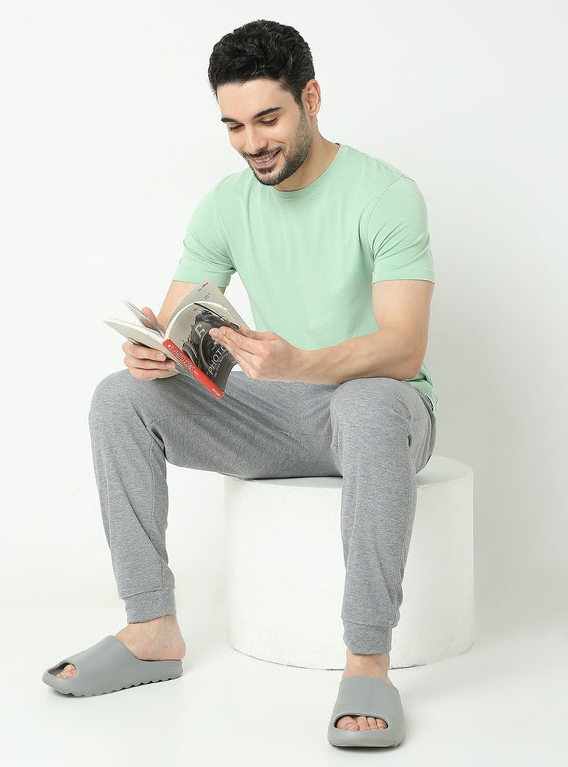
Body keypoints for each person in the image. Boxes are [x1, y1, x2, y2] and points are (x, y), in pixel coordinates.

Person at [43, 19, 437, 749]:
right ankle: (150, 629)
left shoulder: (386, 194)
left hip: (382, 409)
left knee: (368, 401)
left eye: (268, 119)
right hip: (278, 411)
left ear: (310, 98)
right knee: (119, 397)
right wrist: (154, 355)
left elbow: (403, 346)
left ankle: (367, 661)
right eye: (233, 126)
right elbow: (175, 321)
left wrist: (300, 363)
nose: (252, 142)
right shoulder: (227, 203)